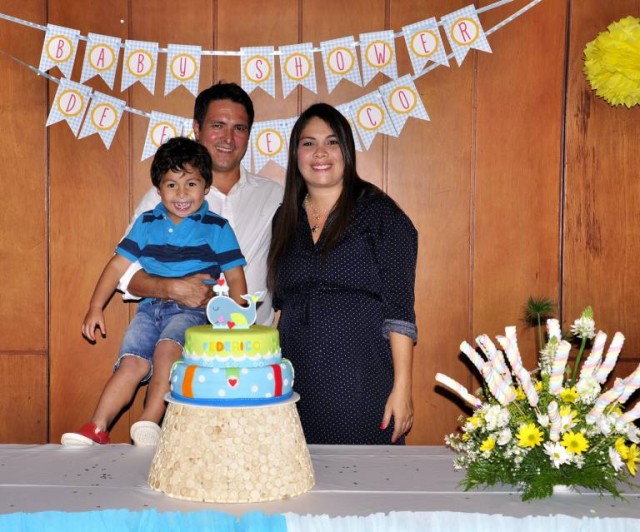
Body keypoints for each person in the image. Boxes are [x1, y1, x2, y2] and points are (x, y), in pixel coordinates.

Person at [61, 137, 248, 447]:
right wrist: (95, 307)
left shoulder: (218, 227)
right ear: (159, 190)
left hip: (193, 310)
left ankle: (149, 420)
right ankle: (97, 427)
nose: (182, 193)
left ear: (205, 188)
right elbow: (116, 267)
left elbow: (235, 276)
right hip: (149, 308)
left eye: (191, 183)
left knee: (167, 351)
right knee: (131, 362)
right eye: (171, 185)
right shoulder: (147, 222)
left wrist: (238, 319)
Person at [267, 103, 418, 445]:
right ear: (296, 154)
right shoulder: (285, 219)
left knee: (364, 491)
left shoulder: (381, 215)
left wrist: (403, 389)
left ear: (346, 151)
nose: (320, 152)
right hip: (293, 387)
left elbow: (400, 313)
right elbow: (279, 309)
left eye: (331, 142)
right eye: (308, 143)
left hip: (361, 384)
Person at [118, 82, 283, 326]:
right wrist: (172, 288)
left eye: (239, 128)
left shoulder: (275, 195)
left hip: (251, 350)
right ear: (197, 128)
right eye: (218, 126)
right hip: (180, 349)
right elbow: (122, 271)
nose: (228, 138)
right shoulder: (163, 199)